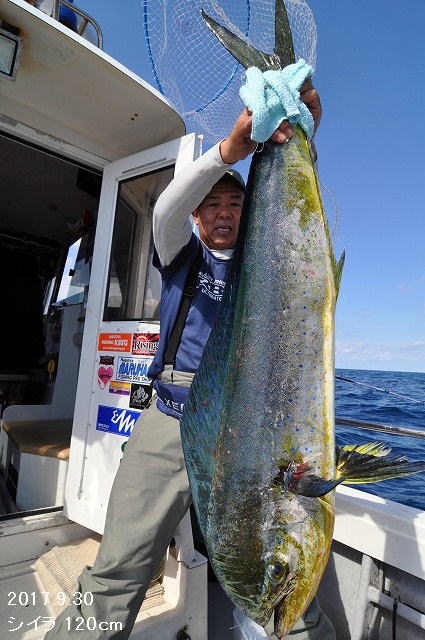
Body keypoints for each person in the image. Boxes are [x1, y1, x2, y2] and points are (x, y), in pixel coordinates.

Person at [44, 78, 332, 640]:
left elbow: (300, 231)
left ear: (251, 212)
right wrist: (231, 150)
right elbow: (166, 208)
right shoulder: (179, 253)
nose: (223, 214)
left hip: (247, 433)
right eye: (212, 205)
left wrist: (302, 139)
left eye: (236, 204)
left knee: (277, 572)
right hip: (171, 419)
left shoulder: (271, 263)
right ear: (197, 218)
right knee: (120, 569)